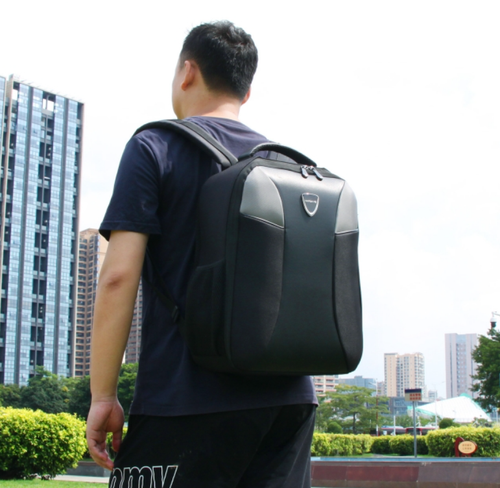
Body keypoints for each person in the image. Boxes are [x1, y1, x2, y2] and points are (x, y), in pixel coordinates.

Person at [86, 21, 317, 488]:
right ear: (246, 92)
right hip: (289, 402)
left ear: (187, 72)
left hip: (186, 400)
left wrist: (103, 396)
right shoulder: (288, 165)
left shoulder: (155, 147)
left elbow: (117, 278)